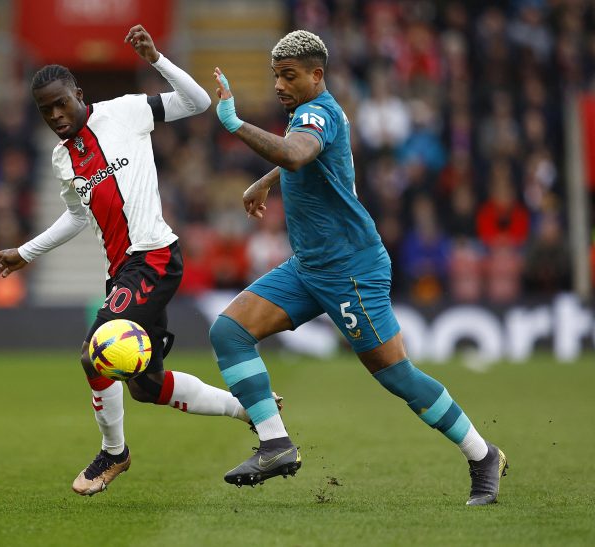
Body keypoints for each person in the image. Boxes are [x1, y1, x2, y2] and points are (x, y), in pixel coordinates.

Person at [210, 30, 508, 506]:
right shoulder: (313, 114)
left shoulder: (317, 112)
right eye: (275, 76)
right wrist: (267, 181)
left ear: (317, 75)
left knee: (396, 375)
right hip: (309, 266)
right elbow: (306, 156)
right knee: (229, 332)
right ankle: (275, 444)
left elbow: (296, 153)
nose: (280, 85)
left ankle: (482, 454)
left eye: (289, 76)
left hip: (350, 269)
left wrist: (234, 124)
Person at [0, 25, 256, 497]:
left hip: (153, 257)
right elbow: (77, 216)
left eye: (60, 103)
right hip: (122, 272)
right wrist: (25, 253)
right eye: (45, 110)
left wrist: (156, 59)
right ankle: (247, 407)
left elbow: (197, 102)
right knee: (147, 387)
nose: (55, 115)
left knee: (95, 353)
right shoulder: (63, 159)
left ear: (78, 94)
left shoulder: (125, 111)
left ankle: (114, 453)